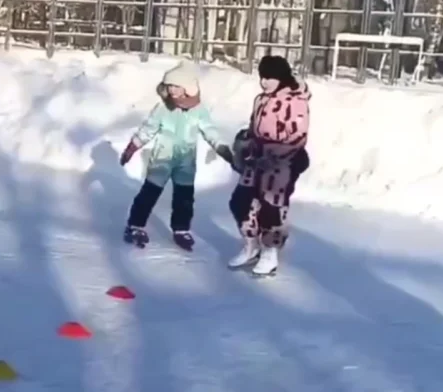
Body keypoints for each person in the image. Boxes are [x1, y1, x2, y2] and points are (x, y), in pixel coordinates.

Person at [120, 61, 234, 249]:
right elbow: (148, 129)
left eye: (176, 86)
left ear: (187, 88)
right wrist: (133, 147)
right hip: (162, 160)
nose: (171, 89)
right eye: (169, 86)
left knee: (184, 198)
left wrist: (223, 149)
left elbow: (210, 131)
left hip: (186, 162)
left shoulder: (199, 111)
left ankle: (181, 229)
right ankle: (135, 225)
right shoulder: (162, 108)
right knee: (149, 194)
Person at [227, 55, 311, 275]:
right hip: (256, 159)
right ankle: (251, 245)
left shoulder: (295, 101)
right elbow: (254, 126)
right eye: (262, 77)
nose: (264, 82)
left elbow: (298, 136)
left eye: (269, 78)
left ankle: (270, 251)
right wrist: (245, 142)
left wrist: (274, 155)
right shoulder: (261, 99)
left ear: (281, 78)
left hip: (281, 163)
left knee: (271, 206)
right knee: (240, 201)